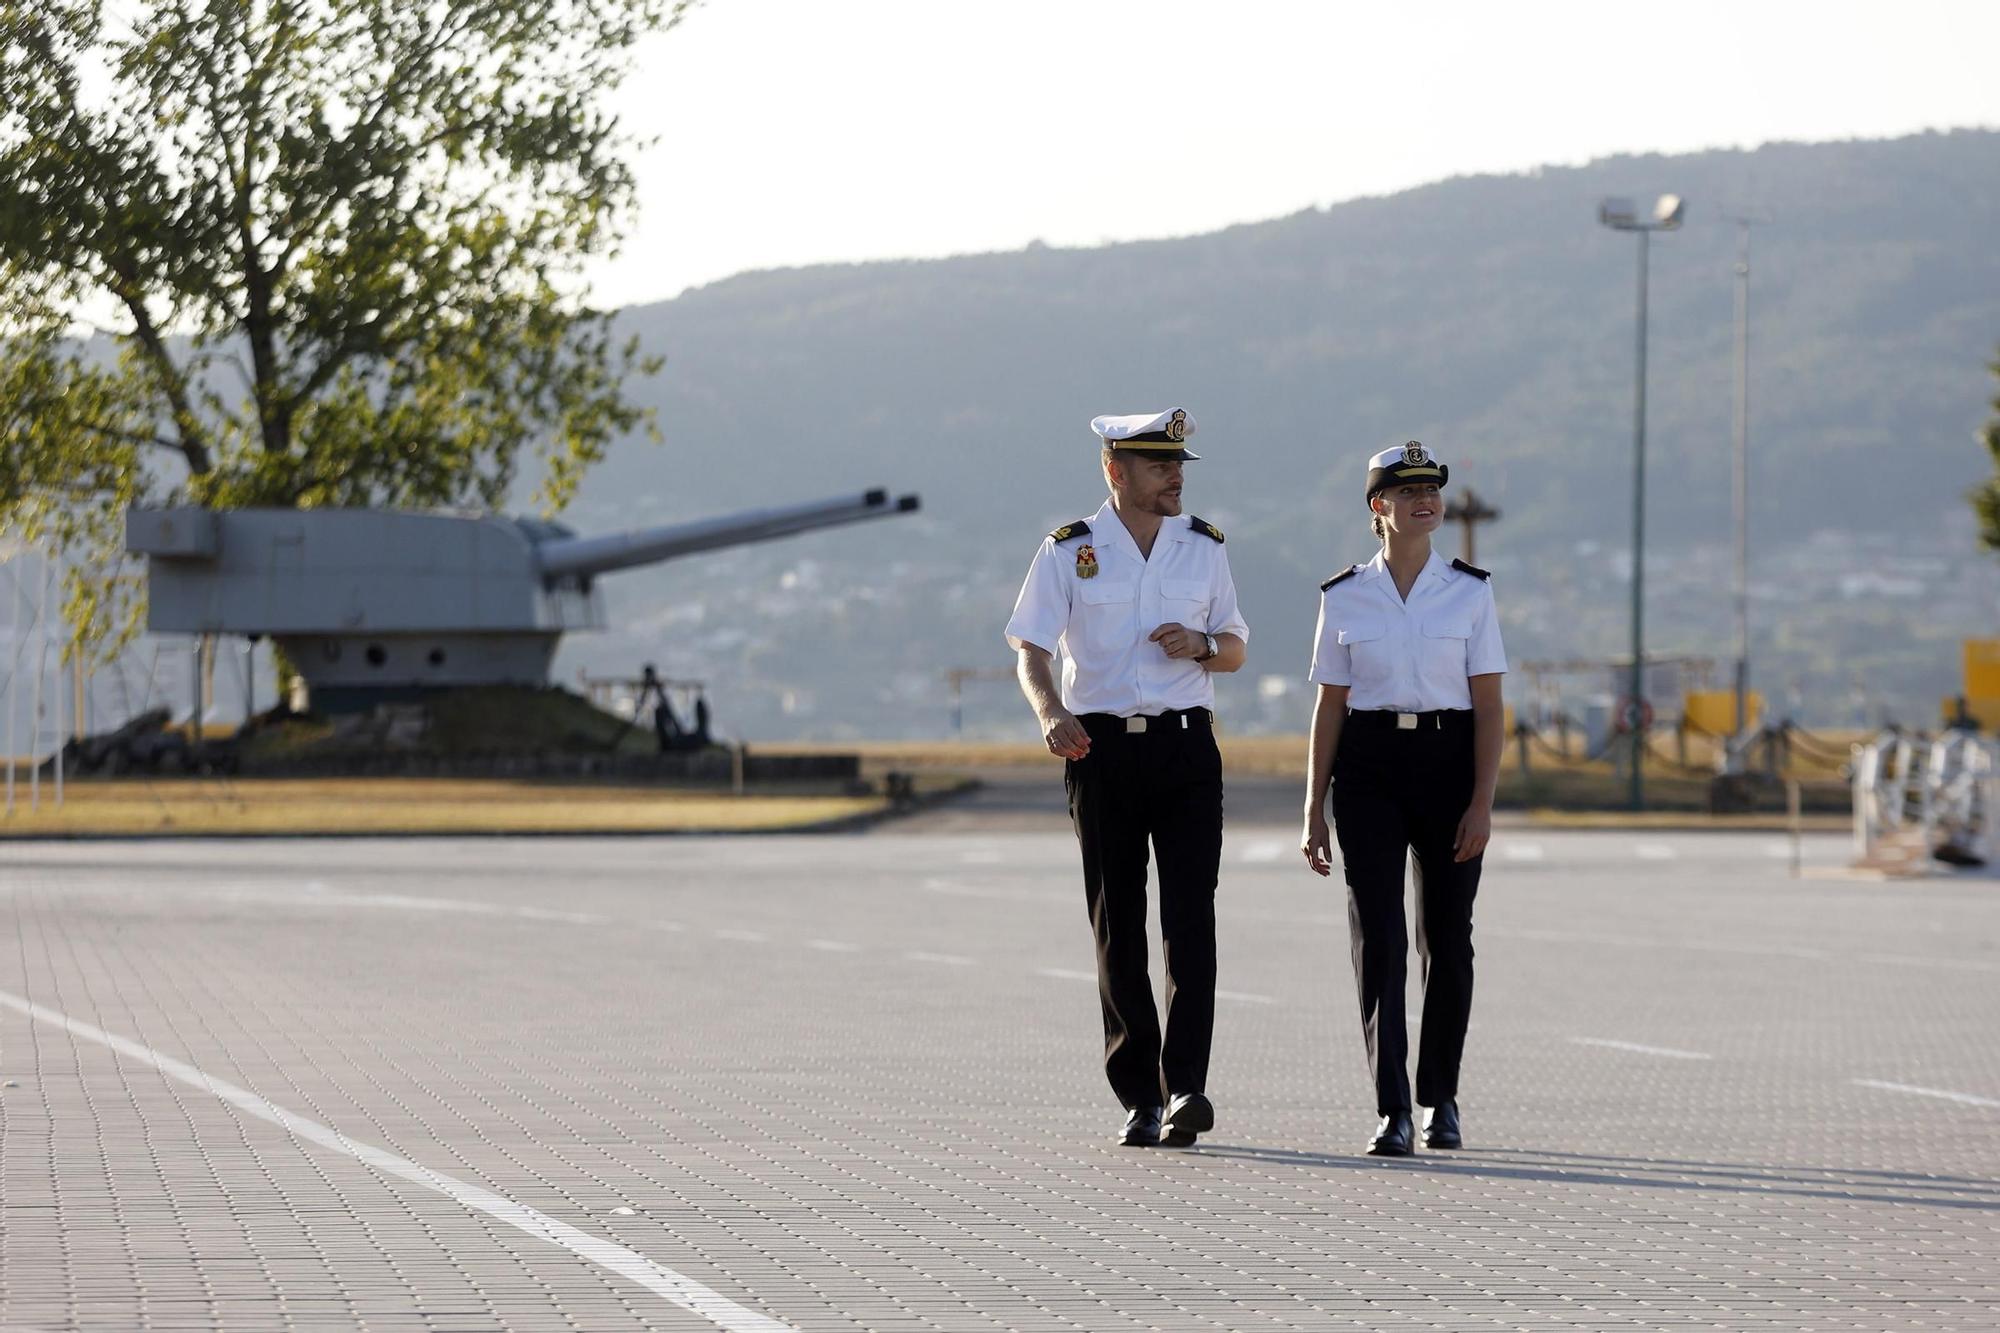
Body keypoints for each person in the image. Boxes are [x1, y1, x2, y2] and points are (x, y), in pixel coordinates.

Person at [1005, 408, 1249, 1148]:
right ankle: (1140, 1093)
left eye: (1178, 464)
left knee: (1190, 919)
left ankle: (1189, 1087)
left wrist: (1202, 644)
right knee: (1119, 926)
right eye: (1158, 465)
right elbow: (1031, 647)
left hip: (1184, 750)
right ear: (1116, 470)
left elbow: (1236, 647)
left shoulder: (1202, 548)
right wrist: (1050, 711)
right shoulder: (1068, 551)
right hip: (1101, 749)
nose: (1176, 475)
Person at [1300, 441, 1506, 1157]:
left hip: (1449, 764)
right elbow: (1330, 706)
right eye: (1407, 488)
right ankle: (1391, 1107)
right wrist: (1312, 807)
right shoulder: (1344, 596)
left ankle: (1438, 1097)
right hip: (1370, 768)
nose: (1426, 498)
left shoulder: (1471, 592)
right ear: (1377, 507)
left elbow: (1489, 704)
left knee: (1447, 940)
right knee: (1379, 940)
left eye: (1432, 488)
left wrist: (1482, 800)